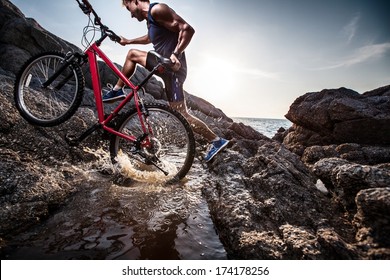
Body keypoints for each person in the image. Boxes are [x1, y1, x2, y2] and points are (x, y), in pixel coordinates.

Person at [104, 0, 228, 162]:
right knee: (181, 114)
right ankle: (217, 141)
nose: (131, 15)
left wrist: (176, 53)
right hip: (166, 67)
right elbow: (150, 38)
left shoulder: (157, 9)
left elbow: (187, 29)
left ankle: (117, 89)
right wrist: (128, 41)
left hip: (173, 68)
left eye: (129, 9)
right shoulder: (151, 19)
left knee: (132, 55)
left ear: (135, 1)